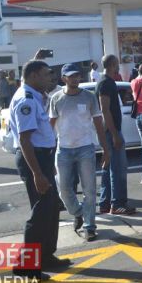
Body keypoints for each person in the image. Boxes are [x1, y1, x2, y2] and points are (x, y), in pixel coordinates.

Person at [9, 60, 71, 281]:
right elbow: (25, 140)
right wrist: (37, 173)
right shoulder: (26, 100)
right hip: (33, 159)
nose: (50, 78)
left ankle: (46, 255)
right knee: (41, 210)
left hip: (42, 158)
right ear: (34, 76)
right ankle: (25, 264)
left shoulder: (34, 95)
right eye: (46, 75)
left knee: (52, 207)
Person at [49, 63, 110, 242]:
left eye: (77, 75)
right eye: (71, 76)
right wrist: (48, 153)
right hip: (64, 150)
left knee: (89, 190)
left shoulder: (89, 97)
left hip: (86, 148)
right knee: (64, 190)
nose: (75, 78)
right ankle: (78, 213)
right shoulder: (56, 99)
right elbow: (49, 128)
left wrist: (106, 149)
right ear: (64, 78)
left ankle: (89, 226)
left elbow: (99, 125)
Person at [96, 54, 133, 215]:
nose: (119, 66)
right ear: (112, 65)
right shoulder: (105, 83)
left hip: (110, 131)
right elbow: (105, 110)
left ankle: (105, 203)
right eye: (117, 63)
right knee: (118, 169)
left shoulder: (106, 82)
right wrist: (115, 134)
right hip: (112, 132)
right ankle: (117, 204)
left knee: (109, 168)